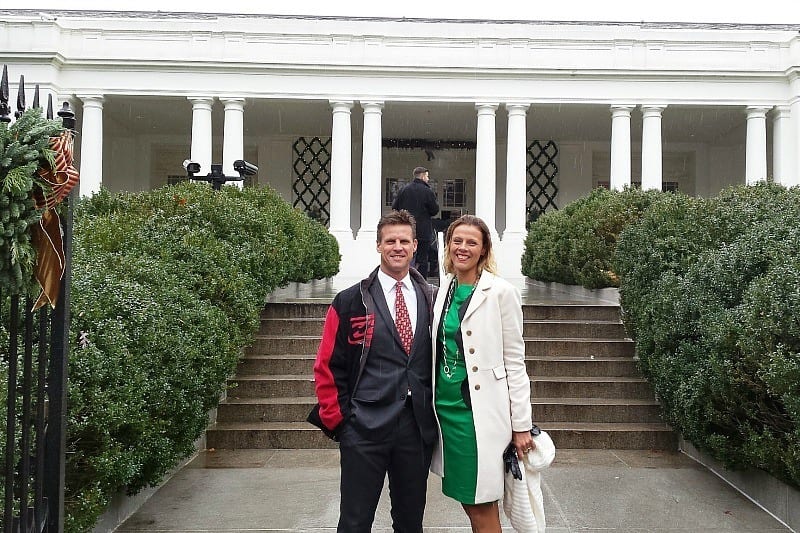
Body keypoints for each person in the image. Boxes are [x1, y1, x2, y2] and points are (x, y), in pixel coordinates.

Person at [310, 209, 438, 533]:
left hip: (415, 427)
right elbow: (327, 364)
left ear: (415, 245)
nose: (397, 247)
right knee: (355, 521)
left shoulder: (433, 299)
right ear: (379, 246)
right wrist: (339, 419)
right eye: (390, 241)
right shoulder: (350, 301)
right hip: (364, 426)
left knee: (411, 523)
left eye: (404, 241)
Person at [430, 214, 534, 532]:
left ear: (484, 250)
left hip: (478, 416)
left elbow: (515, 362)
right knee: (468, 500)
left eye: (471, 242)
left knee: (481, 504)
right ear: (448, 246)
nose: (463, 248)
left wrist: (521, 426)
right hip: (444, 412)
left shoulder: (501, 292)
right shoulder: (443, 289)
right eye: (457, 241)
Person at [392, 166, 439, 278]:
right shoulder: (427, 191)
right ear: (422, 176)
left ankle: (403, 278)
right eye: (427, 176)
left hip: (406, 230)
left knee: (405, 256)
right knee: (422, 259)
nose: (428, 179)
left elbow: (395, 207)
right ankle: (420, 282)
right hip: (423, 232)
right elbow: (434, 210)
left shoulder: (403, 190)